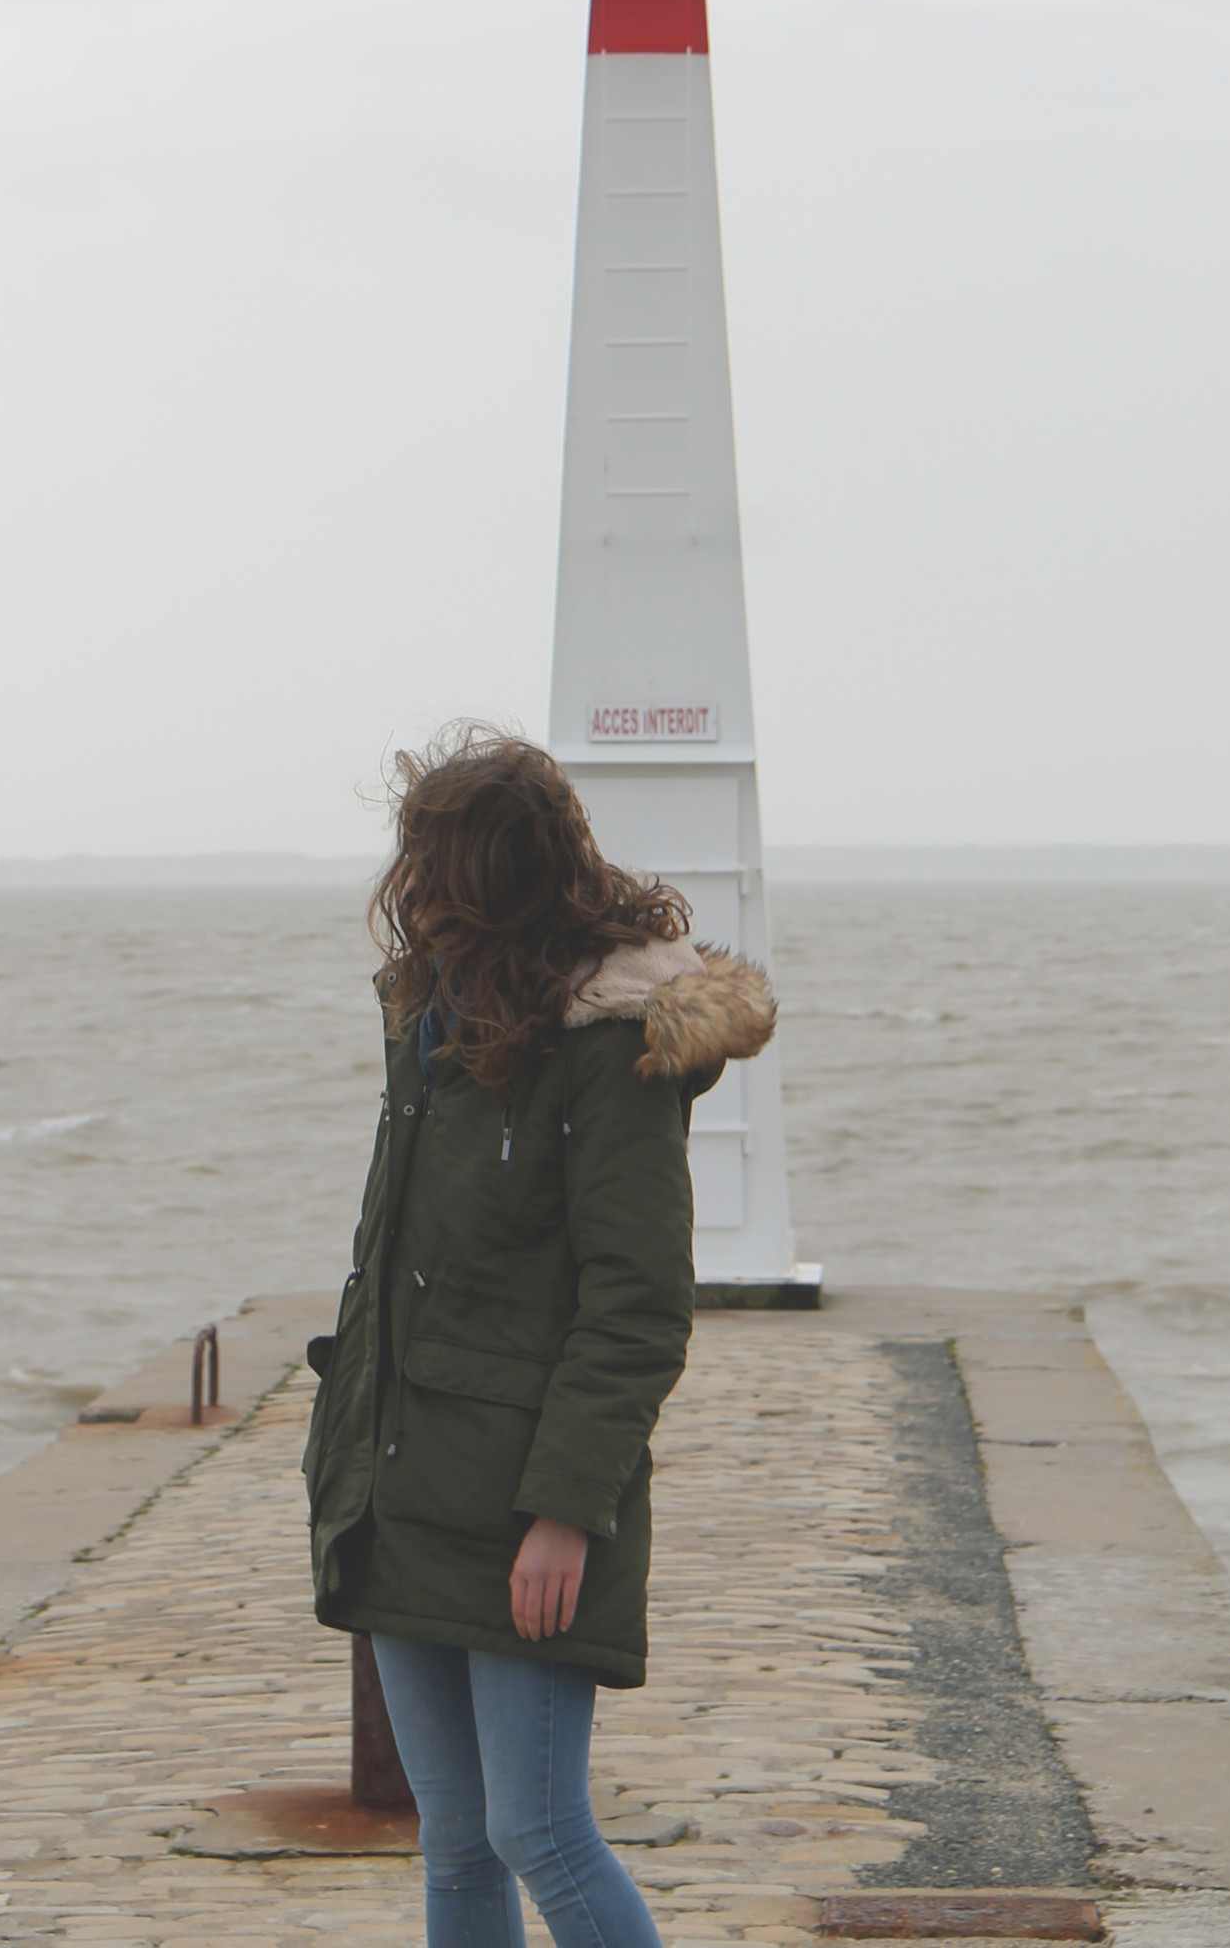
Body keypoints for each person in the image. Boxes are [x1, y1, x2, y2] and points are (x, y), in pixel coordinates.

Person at [303, 726, 779, 1947]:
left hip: (525, 1508)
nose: (407, 888)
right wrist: (343, 1454)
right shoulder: (434, 1018)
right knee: (454, 1848)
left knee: (539, 1835)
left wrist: (565, 1508)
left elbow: (636, 1304)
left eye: (430, 860)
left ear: (493, 874)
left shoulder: (610, 1046)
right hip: (402, 1487)